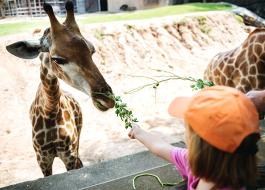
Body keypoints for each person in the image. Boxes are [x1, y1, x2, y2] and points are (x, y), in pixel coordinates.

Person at [128, 86, 260, 190]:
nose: (186, 135)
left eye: (188, 132)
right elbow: (160, 147)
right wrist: (139, 133)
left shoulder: (191, 163)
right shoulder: (191, 160)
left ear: (200, 146)